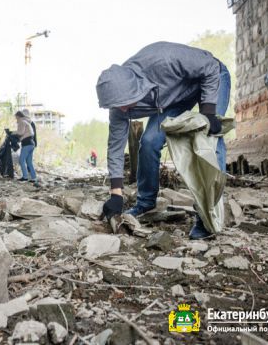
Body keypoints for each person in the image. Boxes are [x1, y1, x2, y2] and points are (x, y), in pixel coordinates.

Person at [96, 41, 231, 240]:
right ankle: (146, 202)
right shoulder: (118, 106)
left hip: (211, 78)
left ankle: (207, 215)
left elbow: (210, 67)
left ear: (134, 88)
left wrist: (209, 112)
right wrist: (116, 194)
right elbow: (115, 147)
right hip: (174, 99)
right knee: (149, 141)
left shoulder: (162, 58)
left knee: (208, 139)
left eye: (124, 104)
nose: (123, 110)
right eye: (116, 107)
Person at [11, 111, 37, 182]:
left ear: (18, 116)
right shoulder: (27, 122)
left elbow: (20, 132)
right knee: (29, 162)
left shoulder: (21, 121)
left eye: (16, 117)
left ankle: (25, 177)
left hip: (26, 144)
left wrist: (13, 132)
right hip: (31, 144)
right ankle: (34, 178)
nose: (16, 119)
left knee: (21, 160)